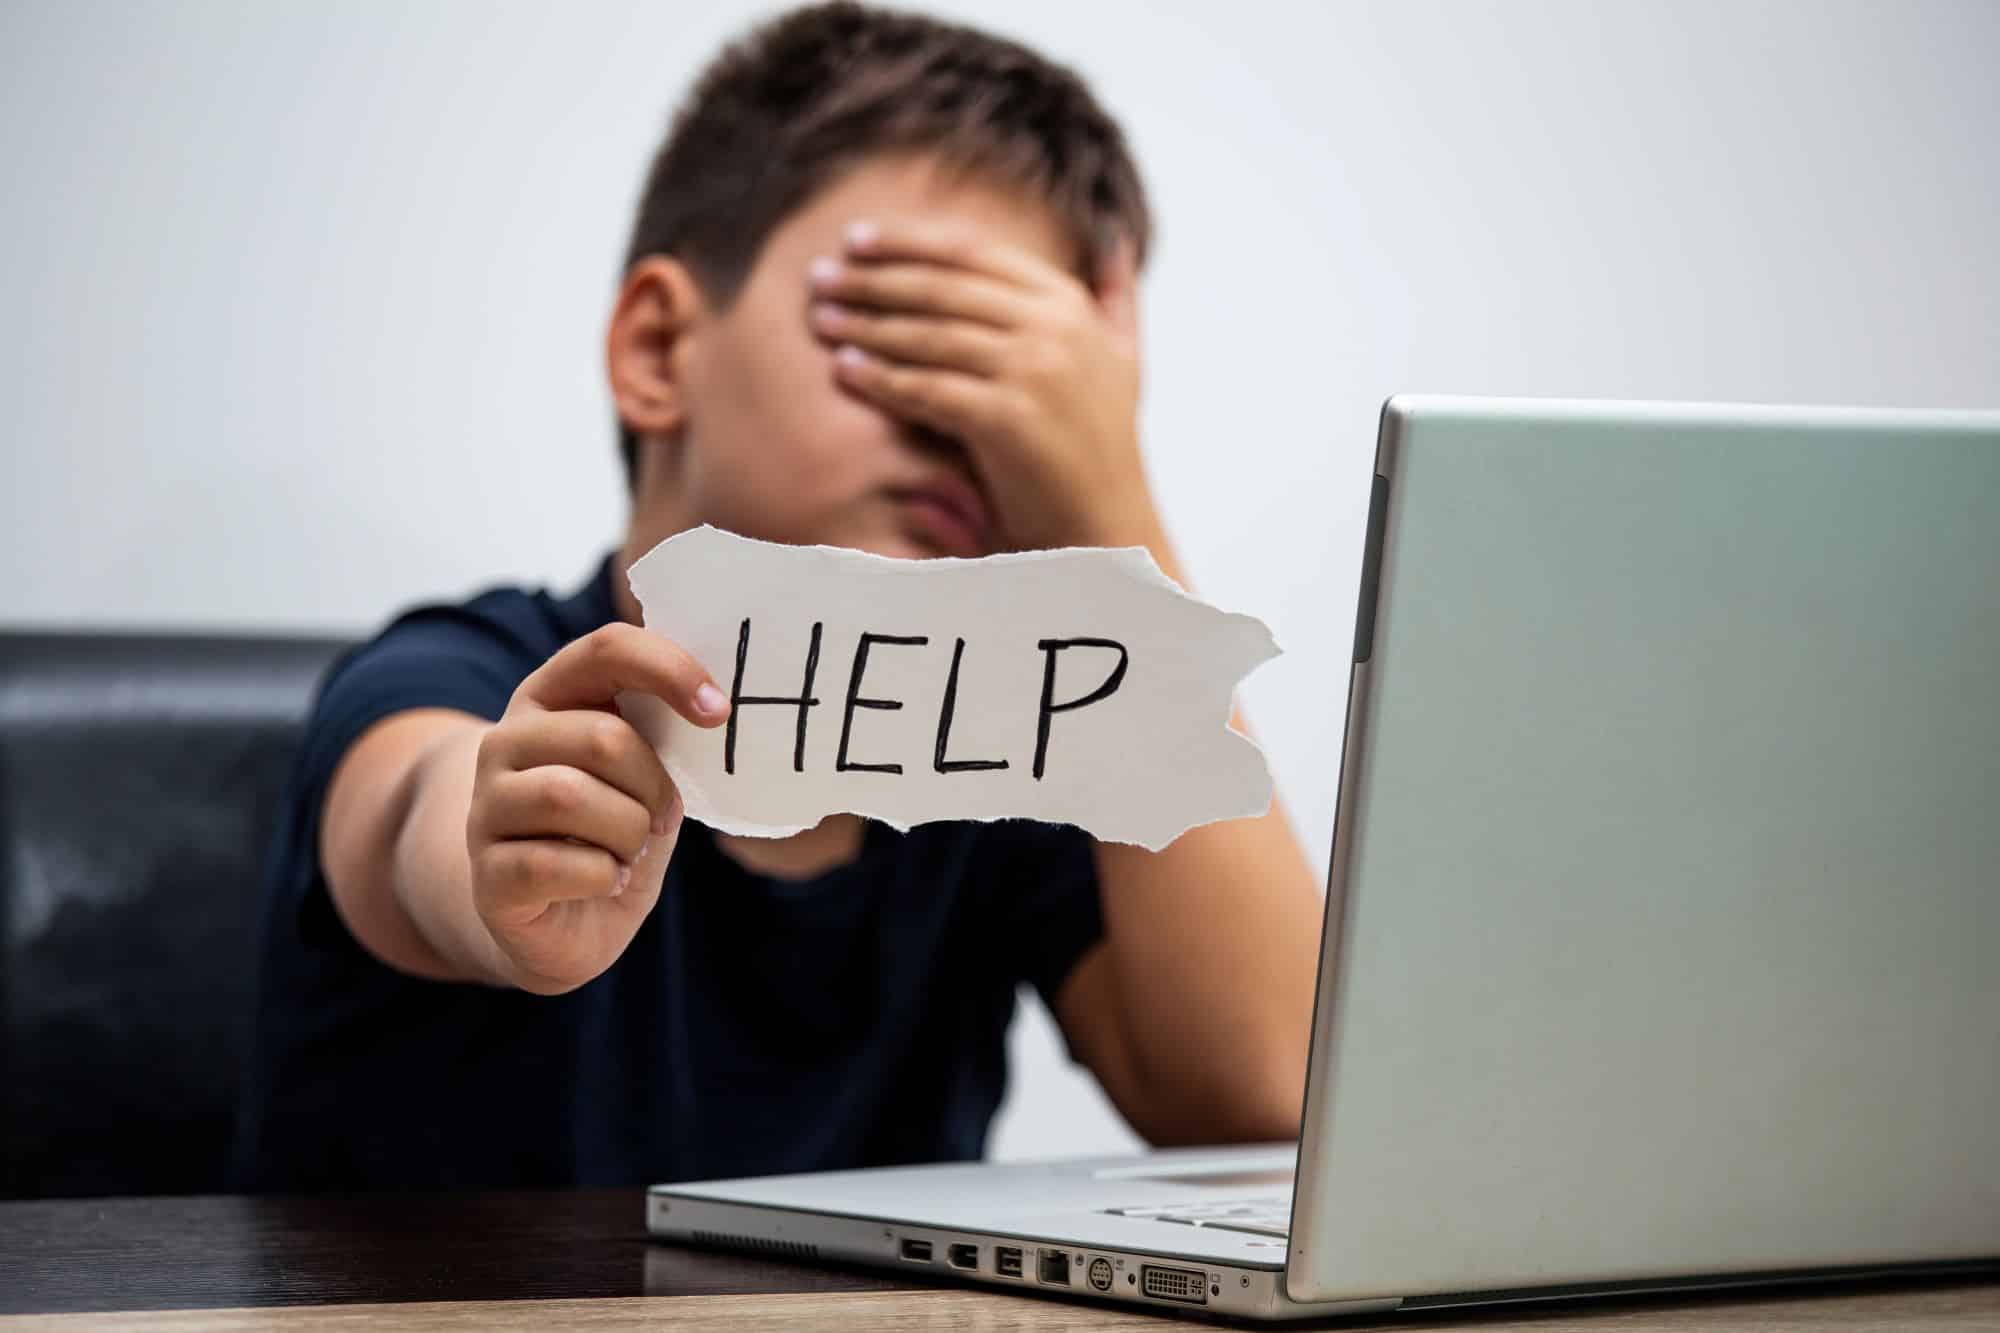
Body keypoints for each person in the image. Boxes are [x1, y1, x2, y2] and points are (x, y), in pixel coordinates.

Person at [233, 0, 1321, 1192]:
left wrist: (1111, 516)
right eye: (918, 337)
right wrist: (510, 861)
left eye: (1046, 385)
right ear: (659, 350)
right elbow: (425, 820)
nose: (984, 428)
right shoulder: (452, 672)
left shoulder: (1004, 778)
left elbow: (1267, 1101)